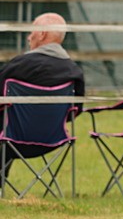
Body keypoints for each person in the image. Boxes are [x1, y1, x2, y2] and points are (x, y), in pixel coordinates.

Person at [0, 13, 86, 182]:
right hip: (53, 138)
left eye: (32, 31)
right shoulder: (74, 72)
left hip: (11, 138)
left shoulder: (19, 66)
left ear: (42, 34)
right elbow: (75, 112)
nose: (28, 37)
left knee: (6, 122)